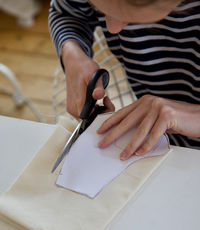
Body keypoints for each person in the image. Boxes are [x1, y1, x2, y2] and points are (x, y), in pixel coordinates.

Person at [49, 0, 200, 160]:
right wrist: (72, 53)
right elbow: (67, 13)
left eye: (132, 19)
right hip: (163, 146)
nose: (112, 29)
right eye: (98, 7)